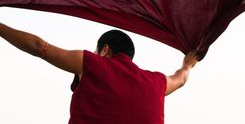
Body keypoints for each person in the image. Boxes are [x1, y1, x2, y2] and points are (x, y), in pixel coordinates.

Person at [0, 22, 198, 124]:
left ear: (105, 49)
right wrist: (188, 63)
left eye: (95, 51)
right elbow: (181, 78)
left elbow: (38, 47)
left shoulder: (93, 64)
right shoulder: (156, 83)